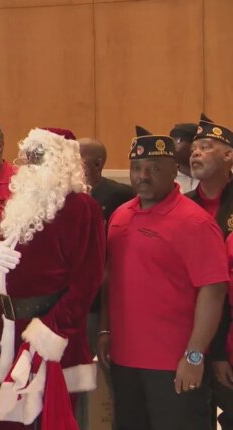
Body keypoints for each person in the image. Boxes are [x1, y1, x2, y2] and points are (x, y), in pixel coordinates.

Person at [0, 128, 105, 429]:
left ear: (62, 161)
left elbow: (88, 281)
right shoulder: (21, 205)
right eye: (29, 156)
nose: (31, 164)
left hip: (50, 337)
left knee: (51, 420)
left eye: (39, 156)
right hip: (9, 332)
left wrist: (48, 333)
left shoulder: (82, 208)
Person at [97, 126, 228, 430]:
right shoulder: (120, 217)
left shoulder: (195, 222)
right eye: (136, 168)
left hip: (175, 364)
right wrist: (104, 328)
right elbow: (110, 278)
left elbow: (214, 290)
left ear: (174, 172)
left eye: (154, 168)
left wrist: (194, 355)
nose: (143, 175)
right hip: (124, 361)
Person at [183, 114, 233, 430]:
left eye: (206, 146)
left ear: (229, 155)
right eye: (193, 149)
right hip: (187, 343)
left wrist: (219, 353)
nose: (195, 153)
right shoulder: (182, 207)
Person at [78, 137, 136, 225]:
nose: (70, 162)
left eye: (77, 157)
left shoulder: (123, 195)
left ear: (97, 164)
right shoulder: (65, 195)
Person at [172, 122, 200, 193]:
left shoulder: (212, 178)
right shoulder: (169, 179)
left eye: (177, 140)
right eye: (171, 141)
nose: (172, 146)